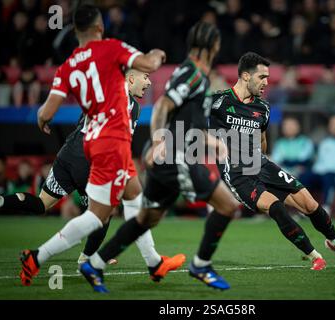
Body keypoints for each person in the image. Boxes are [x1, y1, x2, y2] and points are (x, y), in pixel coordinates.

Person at [9, 4, 165, 287]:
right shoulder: (111, 51)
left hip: (77, 145)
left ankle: (154, 262)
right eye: (143, 80)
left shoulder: (69, 65)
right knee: (100, 215)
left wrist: (43, 121)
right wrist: (157, 55)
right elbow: (148, 63)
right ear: (100, 28)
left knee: (130, 196)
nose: (147, 82)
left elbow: (46, 111)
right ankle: (70, 259)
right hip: (105, 145)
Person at [79, 21, 240, 293]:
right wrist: (158, 141)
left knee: (146, 219)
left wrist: (214, 142)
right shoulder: (192, 74)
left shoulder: (194, 74)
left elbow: (189, 122)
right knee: (227, 205)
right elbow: (163, 106)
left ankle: (94, 263)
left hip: (176, 154)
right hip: (176, 156)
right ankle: (201, 264)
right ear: (214, 45)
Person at [0, 68, 185, 279]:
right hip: (90, 158)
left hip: (68, 153)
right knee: (102, 213)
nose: (149, 83)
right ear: (131, 78)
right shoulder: (130, 105)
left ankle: (1, 202)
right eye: (146, 77)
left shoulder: (101, 91)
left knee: (42, 203)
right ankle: (86, 257)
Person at [209, 52, 335, 273]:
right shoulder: (218, 102)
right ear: (245, 76)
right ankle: (315, 256)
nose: (266, 82)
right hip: (237, 174)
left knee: (309, 204)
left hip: (261, 164)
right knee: (276, 207)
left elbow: (262, 141)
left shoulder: (263, 108)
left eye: (268, 78)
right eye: (262, 77)